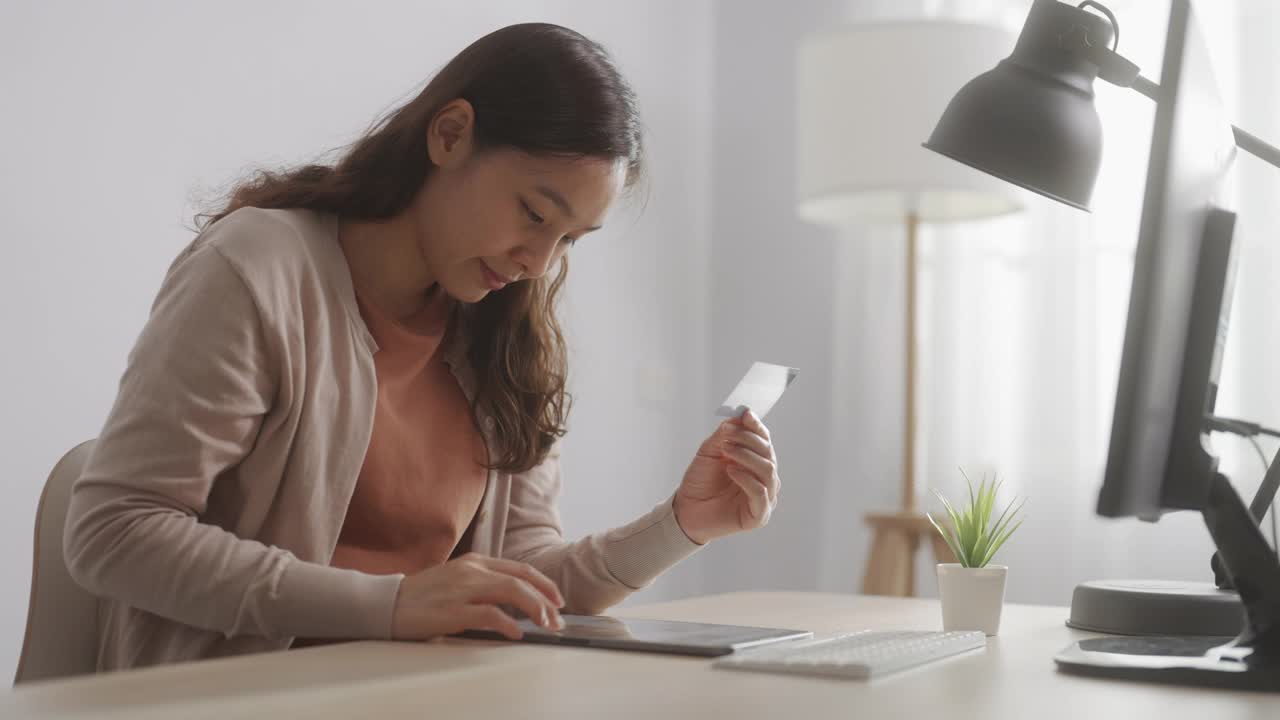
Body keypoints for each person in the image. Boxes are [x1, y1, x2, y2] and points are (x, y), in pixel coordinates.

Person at [63, 22, 783, 672]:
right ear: (449, 135)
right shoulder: (257, 271)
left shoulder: (507, 331)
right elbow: (115, 533)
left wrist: (684, 524)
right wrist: (393, 604)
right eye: (534, 213)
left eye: (567, 240)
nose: (537, 260)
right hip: (240, 697)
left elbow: (526, 586)